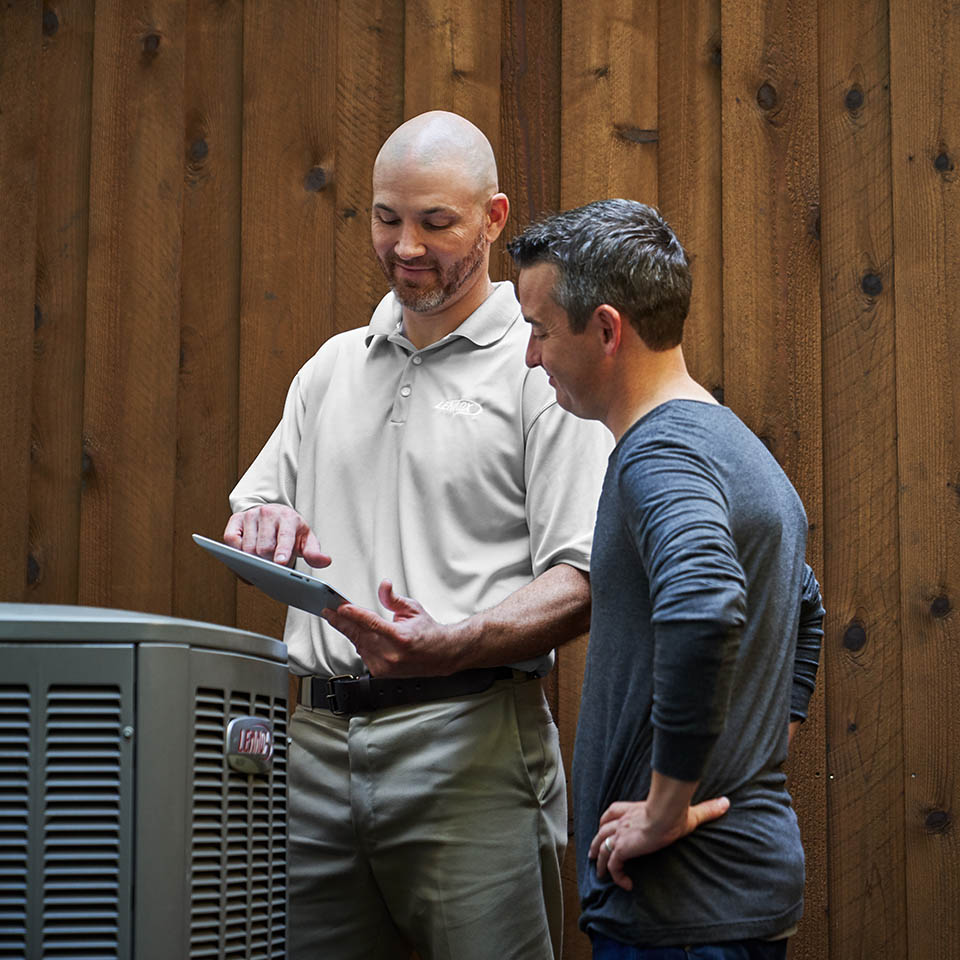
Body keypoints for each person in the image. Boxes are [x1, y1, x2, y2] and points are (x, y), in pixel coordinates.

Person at [223, 112, 610, 960]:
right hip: (312, 754)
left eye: (436, 223)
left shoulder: (539, 368)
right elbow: (251, 513)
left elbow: (584, 575)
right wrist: (264, 526)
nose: (405, 246)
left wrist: (458, 641)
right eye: (386, 217)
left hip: (470, 749)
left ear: (494, 218)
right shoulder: (330, 367)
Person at [508, 199, 825, 959]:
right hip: (732, 895)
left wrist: (663, 806)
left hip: (683, 908)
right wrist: (745, 753)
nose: (530, 356)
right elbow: (805, 605)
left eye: (541, 331)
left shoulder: (661, 456)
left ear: (607, 330)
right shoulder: (730, 443)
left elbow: (705, 600)